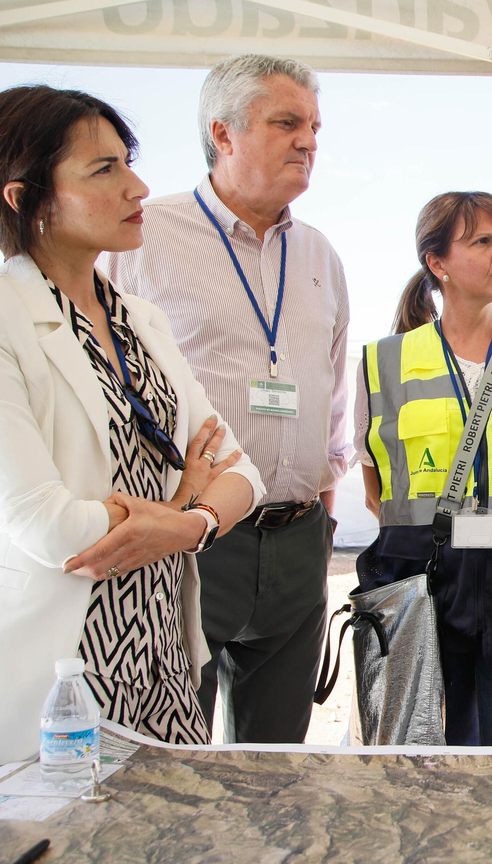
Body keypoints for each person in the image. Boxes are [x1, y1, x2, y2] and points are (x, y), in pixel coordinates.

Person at [0, 85, 264, 762]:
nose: (138, 186)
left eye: (127, 162)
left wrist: (189, 522)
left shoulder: (142, 320)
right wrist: (185, 502)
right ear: (25, 198)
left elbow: (243, 474)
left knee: (172, 857)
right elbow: (49, 528)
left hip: (165, 661)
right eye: (104, 170)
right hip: (58, 674)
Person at [104, 54, 352, 744]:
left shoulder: (320, 256)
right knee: (171, 759)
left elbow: (330, 405)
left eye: (314, 126)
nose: (308, 140)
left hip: (299, 543)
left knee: (275, 767)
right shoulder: (139, 238)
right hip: (187, 539)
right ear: (223, 133)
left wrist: (323, 528)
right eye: (286, 123)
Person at [353, 192, 492, 747]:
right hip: (420, 584)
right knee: (419, 769)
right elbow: (376, 486)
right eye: (483, 241)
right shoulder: (384, 361)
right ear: (437, 263)